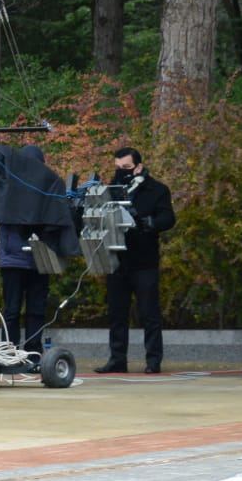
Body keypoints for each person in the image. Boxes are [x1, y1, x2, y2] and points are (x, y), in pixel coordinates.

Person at [95, 146, 176, 374]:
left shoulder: (156, 189)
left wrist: (149, 222)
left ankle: (153, 360)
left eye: (127, 168)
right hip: (117, 258)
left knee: (149, 312)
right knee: (116, 313)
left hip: (144, 259)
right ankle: (117, 358)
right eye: (118, 168)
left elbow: (168, 217)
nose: (122, 173)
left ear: (139, 166)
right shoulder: (112, 190)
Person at [0, 145, 49, 362]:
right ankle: (10, 352)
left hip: (39, 258)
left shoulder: (46, 190)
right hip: (14, 259)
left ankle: (34, 352)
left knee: (36, 309)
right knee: (12, 310)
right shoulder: (9, 188)